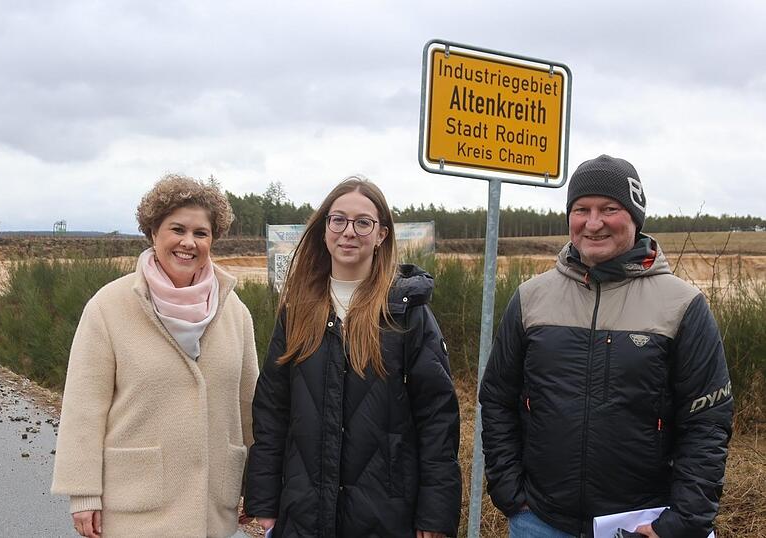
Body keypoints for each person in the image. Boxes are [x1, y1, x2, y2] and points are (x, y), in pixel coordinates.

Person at [480, 155, 733, 538]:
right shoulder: (531, 298)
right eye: (582, 209)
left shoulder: (683, 306)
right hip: (540, 520)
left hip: (641, 525)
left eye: (609, 209)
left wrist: (681, 522)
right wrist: (509, 490)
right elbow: (498, 398)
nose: (593, 223)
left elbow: (707, 423)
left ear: (634, 216)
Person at [245, 177, 462, 538]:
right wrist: (264, 500)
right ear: (324, 229)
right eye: (339, 220)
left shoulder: (405, 314)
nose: (349, 231)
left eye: (363, 222)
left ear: (381, 235)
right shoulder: (297, 311)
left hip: (384, 515)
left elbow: (437, 419)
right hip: (304, 513)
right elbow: (272, 409)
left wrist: (435, 514)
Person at [51, 174, 259, 538]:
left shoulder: (235, 311)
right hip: (135, 508)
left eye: (201, 233)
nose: (188, 242)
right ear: (153, 233)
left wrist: (258, 483)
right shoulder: (108, 306)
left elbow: (251, 404)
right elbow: (84, 406)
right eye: (177, 229)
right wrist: (83, 492)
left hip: (214, 507)